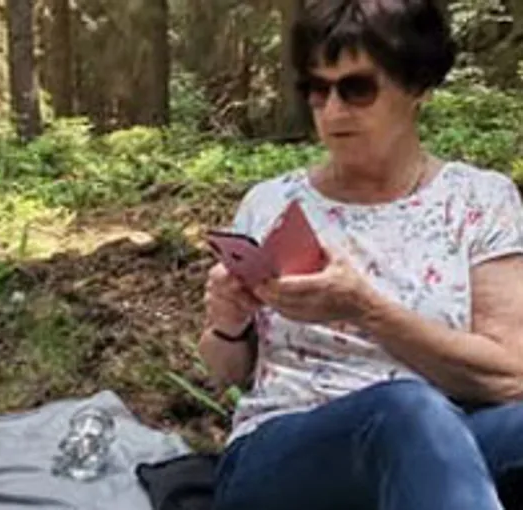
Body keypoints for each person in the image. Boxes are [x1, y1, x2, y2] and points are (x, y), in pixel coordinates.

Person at [201, 1, 523, 509]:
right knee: (403, 412)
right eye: (316, 88)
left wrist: (365, 309)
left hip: (444, 443)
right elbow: (225, 372)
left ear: (416, 87)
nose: (332, 111)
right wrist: (227, 324)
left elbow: (511, 374)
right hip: (285, 452)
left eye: (357, 88)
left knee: (433, 422)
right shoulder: (272, 203)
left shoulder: (478, 200)